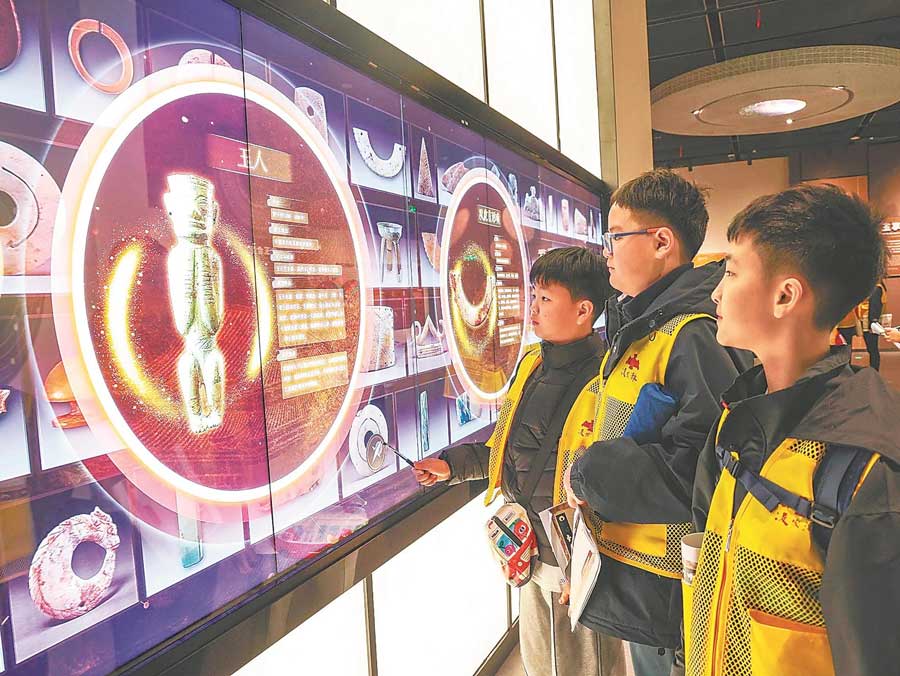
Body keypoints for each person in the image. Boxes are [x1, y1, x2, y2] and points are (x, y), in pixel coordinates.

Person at [687, 184, 900, 675]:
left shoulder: (865, 469)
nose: (716, 292)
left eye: (731, 271)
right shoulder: (738, 416)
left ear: (785, 296)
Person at [562, 169, 752, 676]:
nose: (605, 250)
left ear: (662, 242)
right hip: (639, 573)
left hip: (669, 584)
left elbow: (701, 471)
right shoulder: (643, 324)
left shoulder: (692, 335)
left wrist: (589, 475)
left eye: (615, 236)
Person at [414, 246, 626, 676]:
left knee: (589, 666)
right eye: (533, 296)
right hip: (531, 553)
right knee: (540, 663)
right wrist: (453, 466)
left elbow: (614, 479)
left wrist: (589, 566)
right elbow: (506, 449)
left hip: (579, 561)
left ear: (583, 310)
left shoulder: (608, 378)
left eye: (545, 298)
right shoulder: (532, 365)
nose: (533, 308)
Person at [860, 280, 887, 370]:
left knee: (872, 349)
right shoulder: (878, 287)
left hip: (869, 323)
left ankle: (874, 370)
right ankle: (874, 369)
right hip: (870, 323)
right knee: (872, 348)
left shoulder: (876, 288)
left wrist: (872, 323)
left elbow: (874, 307)